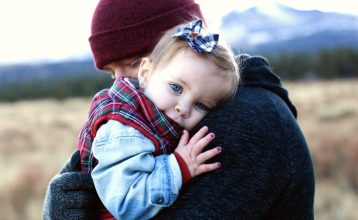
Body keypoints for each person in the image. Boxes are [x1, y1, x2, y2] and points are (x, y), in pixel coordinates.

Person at [43, 0, 315, 219]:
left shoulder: (246, 122)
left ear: (187, 42)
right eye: (111, 73)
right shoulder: (165, 117)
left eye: (135, 63)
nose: (121, 85)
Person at [77, 19, 240, 219]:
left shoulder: (157, 118)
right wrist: (179, 166)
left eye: (201, 105)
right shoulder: (124, 129)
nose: (183, 108)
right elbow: (126, 203)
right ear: (145, 73)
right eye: (176, 87)